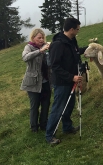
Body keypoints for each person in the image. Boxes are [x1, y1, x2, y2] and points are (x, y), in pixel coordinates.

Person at [45, 17, 87, 145]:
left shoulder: (72, 40)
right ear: (71, 29)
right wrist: (71, 77)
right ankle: (49, 135)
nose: (78, 31)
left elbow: (75, 53)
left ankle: (67, 127)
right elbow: (55, 66)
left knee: (69, 105)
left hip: (71, 80)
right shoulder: (58, 44)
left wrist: (89, 49)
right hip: (62, 82)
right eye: (77, 29)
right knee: (58, 107)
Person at [21, 28, 51, 133]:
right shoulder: (28, 47)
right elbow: (25, 57)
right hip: (33, 82)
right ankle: (34, 127)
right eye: (39, 38)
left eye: (43, 37)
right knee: (34, 106)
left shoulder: (45, 46)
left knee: (46, 104)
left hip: (46, 82)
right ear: (33, 38)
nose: (41, 39)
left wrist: (50, 48)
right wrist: (40, 51)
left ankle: (44, 124)